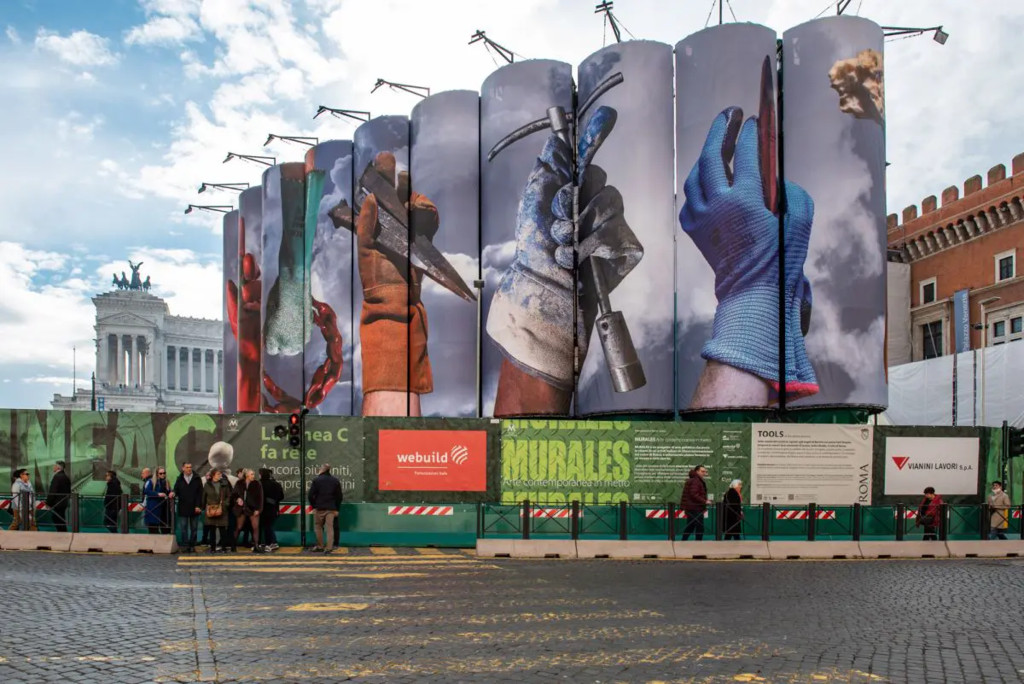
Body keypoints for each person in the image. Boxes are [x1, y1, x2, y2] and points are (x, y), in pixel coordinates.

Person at [308, 464, 343, 553]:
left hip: (319, 508)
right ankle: (329, 548)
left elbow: (310, 495)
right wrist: (337, 509)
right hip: (331, 508)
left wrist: (314, 506)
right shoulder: (335, 481)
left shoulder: (316, 480)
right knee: (330, 528)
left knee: (318, 527)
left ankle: (320, 546)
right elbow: (339, 497)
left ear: (322, 470)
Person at [173, 462, 204, 552]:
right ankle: (185, 546)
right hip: (183, 507)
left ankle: (192, 545)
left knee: (194, 529)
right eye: (187, 467)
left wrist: (198, 506)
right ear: (183, 468)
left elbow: (200, 493)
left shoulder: (197, 478)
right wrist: (173, 493)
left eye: (190, 467)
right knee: (184, 528)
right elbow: (176, 490)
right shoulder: (179, 479)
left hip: (195, 507)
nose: (189, 469)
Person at [233, 469, 263, 552]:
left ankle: (256, 546)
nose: (253, 476)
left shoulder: (257, 484)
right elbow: (234, 494)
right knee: (239, 527)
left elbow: (260, 497)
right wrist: (238, 499)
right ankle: (233, 545)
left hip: (253, 508)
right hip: (242, 508)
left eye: (253, 474)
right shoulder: (239, 483)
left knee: (255, 527)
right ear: (247, 475)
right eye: (251, 474)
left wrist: (258, 509)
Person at [202, 469, 231, 553]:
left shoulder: (224, 484)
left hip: (222, 509)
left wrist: (225, 504)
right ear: (213, 475)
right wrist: (202, 507)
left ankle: (223, 548)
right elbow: (204, 496)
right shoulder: (207, 485)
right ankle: (213, 548)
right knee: (212, 529)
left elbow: (229, 495)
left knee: (222, 529)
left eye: (220, 474)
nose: (220, 476)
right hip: (211, 509)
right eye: (218, 474)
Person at [679, 465, 711, 541]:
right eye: (702, 471)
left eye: (705, 471)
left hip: (692, 507)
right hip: (695, 508)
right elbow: (694, 494)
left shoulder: (694, 480)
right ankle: (698, 544)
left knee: (691, 526)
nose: (704, 473)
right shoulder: (696, 481)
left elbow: (694, 494)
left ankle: (683, 541)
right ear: (697, 471)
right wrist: (705, 501)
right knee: (699, 527)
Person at [259, 468, 283, 552]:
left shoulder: (260, 484)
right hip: (273, 508)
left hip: (262, 509)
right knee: (269, 526)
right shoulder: (276, 484)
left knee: (264, 527)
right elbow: (281, 496)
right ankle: (270, 543)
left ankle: (268, 543)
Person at [144, 467, 173, 534]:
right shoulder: (151, 481)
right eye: (161, 473)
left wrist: (171, 493)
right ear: (157, 474)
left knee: (165, 529)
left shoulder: (166, 482)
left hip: (164, 508)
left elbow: (169, 492)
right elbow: (147, 491)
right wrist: (158, 494)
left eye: (164, 473)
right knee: (153, 529)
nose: (163, 474)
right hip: (154, 507)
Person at [46, 461, 72, 532]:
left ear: (58, 468)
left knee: (57, 519)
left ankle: (62, 533)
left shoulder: (57, 477)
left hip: (57, 503)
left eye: (54, 466)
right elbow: (68, 491)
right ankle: (63, 533)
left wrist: (48, 503)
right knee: (61, 519)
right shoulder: (65, 477)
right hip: (63, 502)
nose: (53, 467)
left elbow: (53, 491)